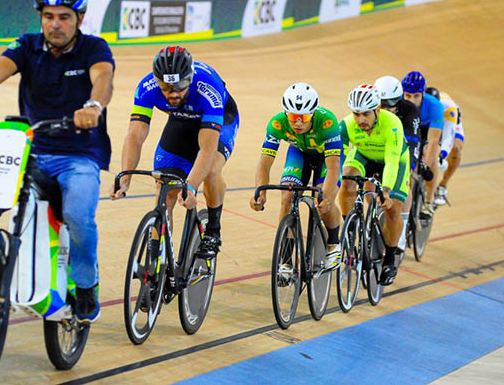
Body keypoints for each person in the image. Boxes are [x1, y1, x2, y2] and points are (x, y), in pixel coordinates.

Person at [0, 0, 115, 324]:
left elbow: (103, 79)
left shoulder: (94, 48)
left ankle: (86, 284)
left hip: (78, 154)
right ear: (41, 17)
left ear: (79, 18)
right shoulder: (27, 46)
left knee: (78, 215)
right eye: (48, 16)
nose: (55, 24)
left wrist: (93, 106)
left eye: (64, 16)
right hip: (29, 151)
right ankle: (2, 266)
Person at [110, 46, 239, 260]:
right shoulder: (146, 87)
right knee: (165, 188)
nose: (174, 93)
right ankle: (155, 263)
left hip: (219, 118)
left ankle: (213, 230)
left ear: (189, 78)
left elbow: (207, 149)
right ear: (157, 80)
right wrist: (126, 176)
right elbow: (135, 135)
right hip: (181, 121)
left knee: (212, 169)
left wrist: (191, 185)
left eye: (179, 86)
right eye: (166, 87)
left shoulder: (208, 89)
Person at [249, 83, 342, 270]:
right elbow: (265, 162)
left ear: (313, 114)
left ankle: (333, 243)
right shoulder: (277, 123)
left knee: (323, 201)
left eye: (304, 118)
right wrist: (260, 191)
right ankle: (285, 260)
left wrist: (327, 196)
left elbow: (333, 168)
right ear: (286, 114)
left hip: (327, 158)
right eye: (293, 117)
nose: (298, 123)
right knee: (287, 196)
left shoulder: (328, 122)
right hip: (299, 153)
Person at [339, 84, 410, 286]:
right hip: (364, 156)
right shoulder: (346, 125)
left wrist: (385, 190)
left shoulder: (392, 124)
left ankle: (390, 260)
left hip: (394, 161)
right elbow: (338, 159)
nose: (361, 120)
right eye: (356, 114)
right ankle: (350, 227)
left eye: (366, 114)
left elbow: (393, 160)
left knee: (393, 209)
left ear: (377, 110)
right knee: (346, 180)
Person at [374, 75, 421, 253]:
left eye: (390, 105)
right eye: (381, 105)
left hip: (403, 149)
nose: (385, 109)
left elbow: (412, 144)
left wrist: (409, 167)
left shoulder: (409, 111)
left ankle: (402, 226)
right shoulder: (370, 111)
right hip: (379, 149)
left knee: (404, 180)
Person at [401, 71, 444, 218]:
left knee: (430, 153)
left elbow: (433, 141)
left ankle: (428, 201)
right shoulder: (398, 103)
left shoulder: (435, 106)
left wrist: (427, 164)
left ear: (423, 94)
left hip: (426, 132)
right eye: (407, 96)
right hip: (409, 129)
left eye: (416, 96)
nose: (411, 100)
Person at [425, 87, 465, 206]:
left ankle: (443, 185)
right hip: (431, 120)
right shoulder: (421, 103)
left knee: (456, 147)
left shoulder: (448, 107)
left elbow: (449, 135)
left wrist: (442, 155)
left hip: (449, 120)